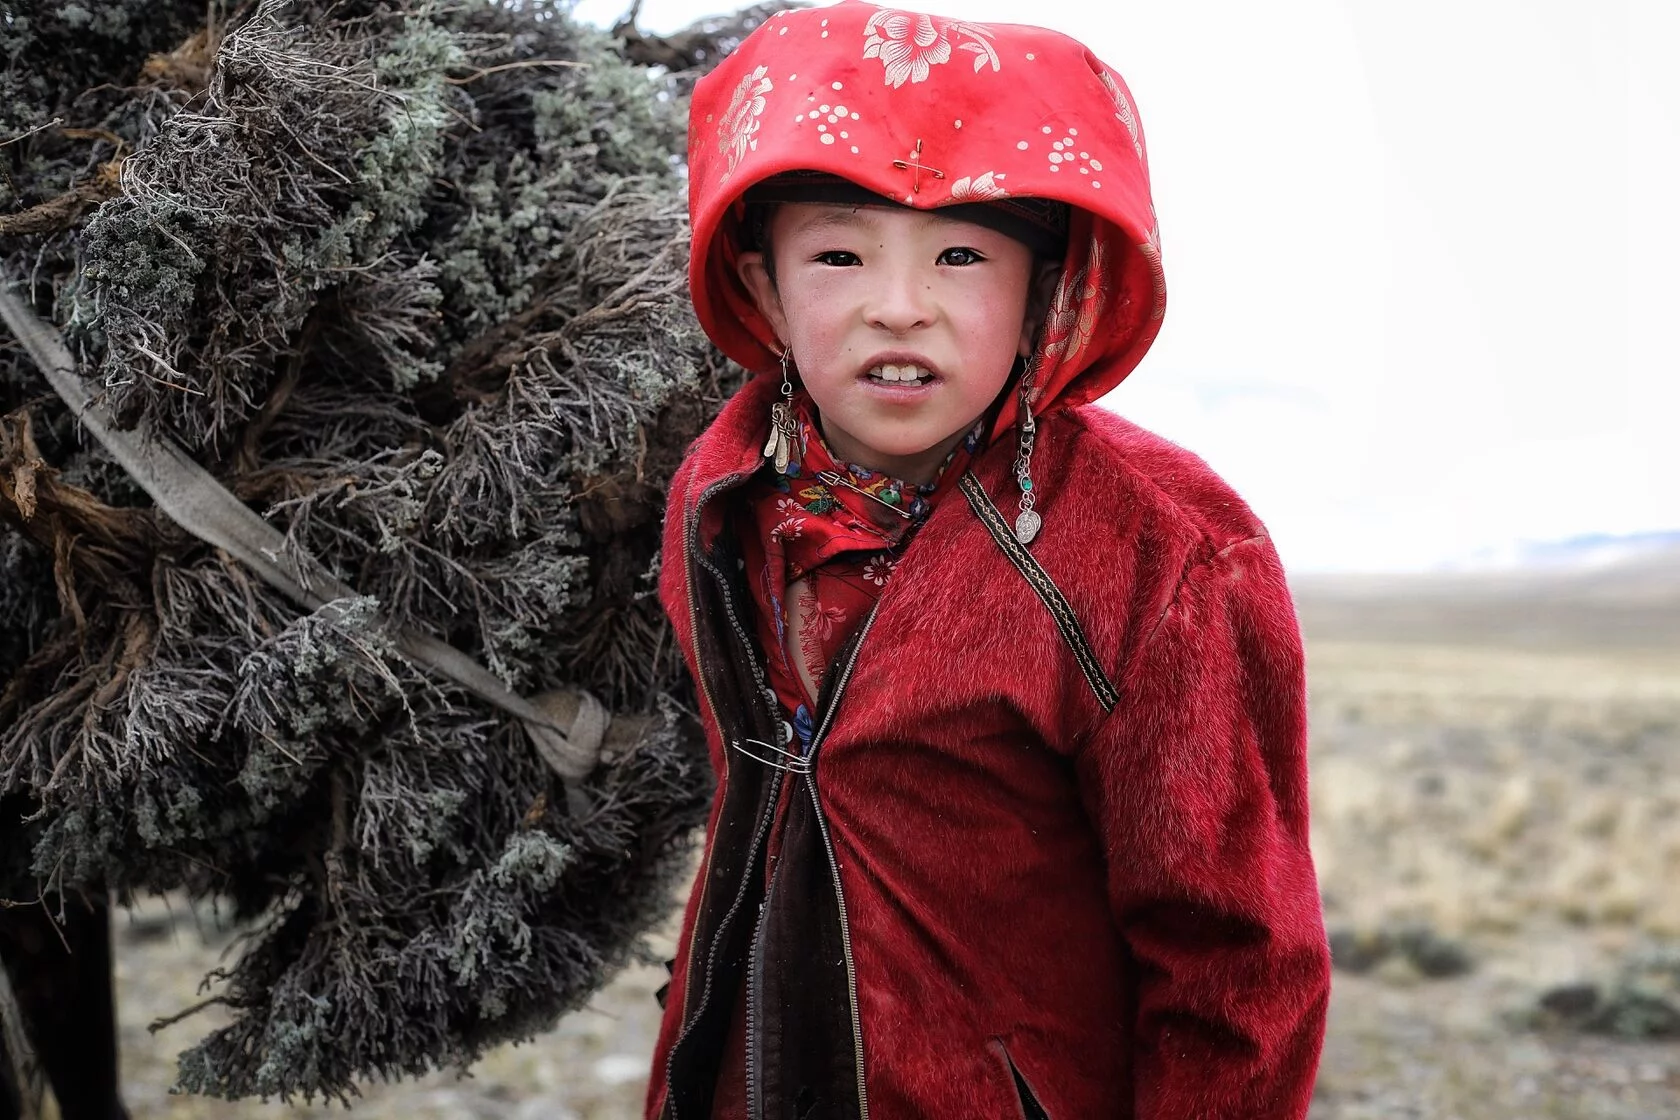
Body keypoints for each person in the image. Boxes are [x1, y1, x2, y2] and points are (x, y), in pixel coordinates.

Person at [648, 3, 1331, 1117]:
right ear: (766, 286)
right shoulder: (719, 497)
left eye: (962, 254)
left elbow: (1236, 965)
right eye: (837, 252)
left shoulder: (1162, 549)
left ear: (1043, 290)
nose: (900, 307)